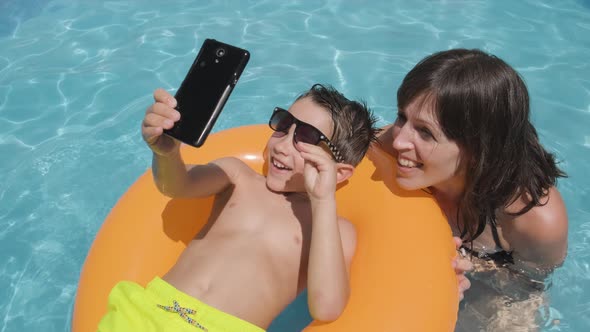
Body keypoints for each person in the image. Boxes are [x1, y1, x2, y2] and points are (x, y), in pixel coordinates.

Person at [97, 84, 380, 332]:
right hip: (148, 312)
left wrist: (322, 201)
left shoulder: (333, 228)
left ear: (339, 173)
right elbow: (176, 185)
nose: (282, 145)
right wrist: (167, 153)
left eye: (305, 137)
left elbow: (326, 307)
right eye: (283, 124)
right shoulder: (238, 176)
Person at [377, 48, 568, 330]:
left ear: (476, 151)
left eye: (425, 132)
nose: (398, 141)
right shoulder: (393, 148)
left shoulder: (533, 218)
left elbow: (527, 289)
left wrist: (476, 267)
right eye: (402, 117)